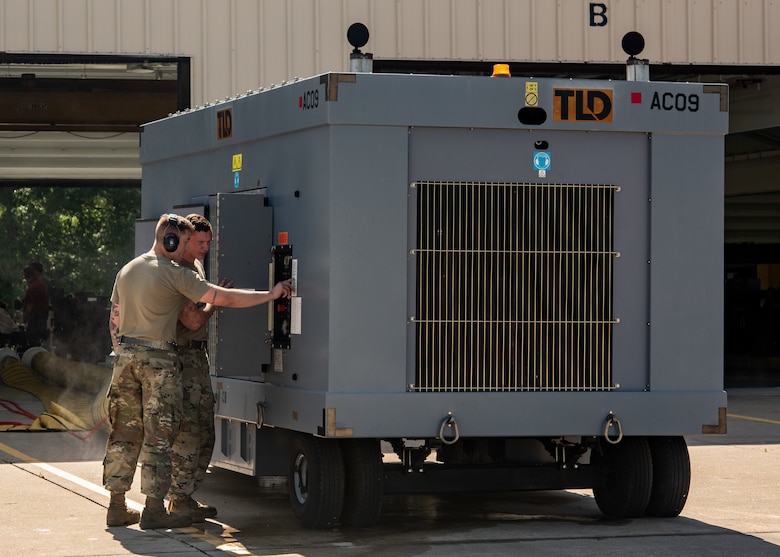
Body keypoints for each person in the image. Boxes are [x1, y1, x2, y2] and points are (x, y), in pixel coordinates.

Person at [103, 213, 293, 530]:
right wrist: (272, 294)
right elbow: (225, 298)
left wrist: (123, 353)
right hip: (158, 360)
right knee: (160, 436)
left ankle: (117, 506)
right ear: (171, 241)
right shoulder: (174, 273)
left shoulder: (128, 269)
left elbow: (115, 319)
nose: (186, 250)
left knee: (124, 434)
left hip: (124, 357)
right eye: (183, 243)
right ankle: (154, 509)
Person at [167, 214, 229, 521]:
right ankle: (178, 499)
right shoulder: (180, 271)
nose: (205, 248)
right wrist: (216, 301)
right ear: (186, 240)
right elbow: (192, 321)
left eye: (208, 242)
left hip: (197, 358)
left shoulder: (196, 267)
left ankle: (185, 496)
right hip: (183, 358)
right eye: (200, 242)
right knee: (189, 432)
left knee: (206, 431)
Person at [22, 265, 49, 346]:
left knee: (33, 336)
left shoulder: (32, 287)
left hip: (36, 315)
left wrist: (24, 318)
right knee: (42, 335)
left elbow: (30, 305)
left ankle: (36, 350)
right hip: (43, 313)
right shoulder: (40, 283)